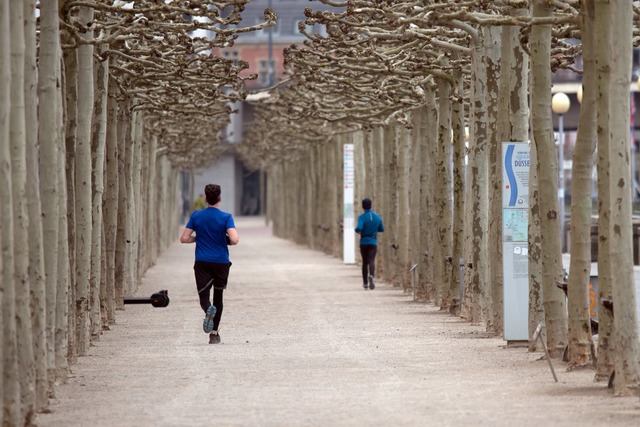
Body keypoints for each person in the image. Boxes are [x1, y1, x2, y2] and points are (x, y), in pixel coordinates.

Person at [180, 184, 239, 344]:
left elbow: (184, 238)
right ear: (219, 198)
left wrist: (198, 238)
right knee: (218, 297)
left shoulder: (196, 216)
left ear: (205, 198)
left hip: (202, 262)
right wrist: (224, 240)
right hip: (221, 262)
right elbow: (234, 239)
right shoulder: (226, 217)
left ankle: (208, 310)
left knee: (204, 296)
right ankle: (214, 334)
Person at [355, 198, 384, 290]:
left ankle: (365, 283)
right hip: (373, 241)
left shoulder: (361, 217)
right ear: (371, 205)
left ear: (363, 206)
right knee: (371, 260)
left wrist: (357, 230)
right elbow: (381, 229)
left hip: (364, 241)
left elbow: (359, 228)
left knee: (365, 262)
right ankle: (372, 276)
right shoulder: (377, 217)